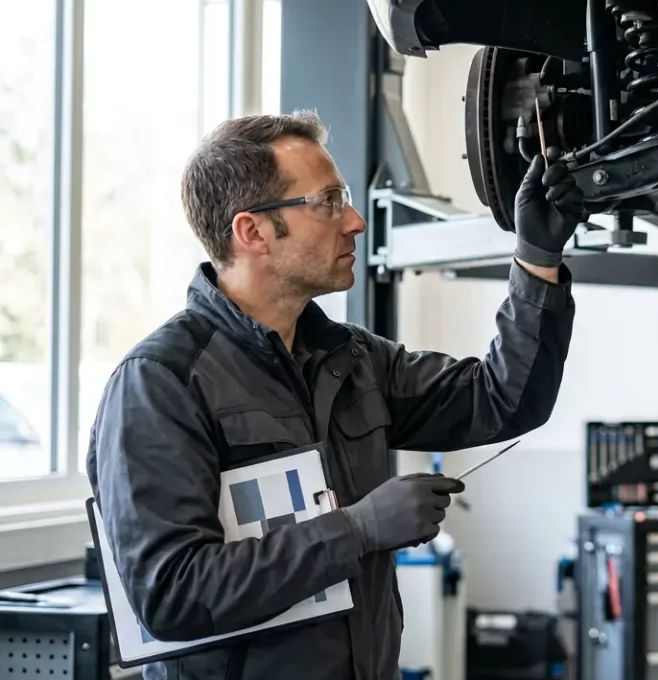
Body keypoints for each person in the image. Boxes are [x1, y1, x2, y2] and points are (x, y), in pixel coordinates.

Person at [86, 110, 583, 680]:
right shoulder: (159, 382)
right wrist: (359, 528)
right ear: (253, 232)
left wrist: (537, 259)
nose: (353, 221)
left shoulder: (350, 358)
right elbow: (171, 594)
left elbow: (501, 399)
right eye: (326, 202)